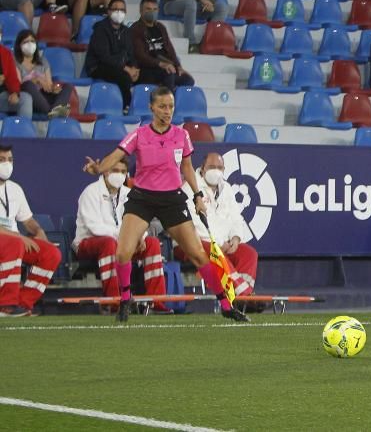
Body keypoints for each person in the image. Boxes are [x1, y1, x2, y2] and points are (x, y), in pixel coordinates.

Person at [82, 87, 251, 323]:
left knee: (199, 256)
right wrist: (99, 169)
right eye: (162, 106)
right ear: (151, 107)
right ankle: (126, 299)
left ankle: (225, 304)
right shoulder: (139, 134)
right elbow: (117, 154)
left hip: (172, 199)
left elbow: (187, 168)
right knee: (122, 253)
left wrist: (198, 196)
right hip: (142, 198)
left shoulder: (181, 136)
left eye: (170, 106)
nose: (167, 111)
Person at [73, 158, 170, 312]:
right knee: (109, 243)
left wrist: (140, 236)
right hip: (88, 243)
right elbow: (95, 228)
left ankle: (156, 302)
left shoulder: (129, 194)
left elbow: (139, 220)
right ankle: (114, 303)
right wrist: (127, 236)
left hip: (121, 243)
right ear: (105, 172)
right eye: (115, 171)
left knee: (152, 243)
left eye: (123, 172)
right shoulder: (90, 192)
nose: (119, 175)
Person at [178, 152, 258, 299]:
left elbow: (236, 217)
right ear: (202, 169)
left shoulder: (226, 188)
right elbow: (194, 225)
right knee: (215, 251)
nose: (216, 171)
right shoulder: (190, 188)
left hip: (222, 244)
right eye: (212, 167)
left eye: (219, 167)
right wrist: (220, 244)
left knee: (249, 254)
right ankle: (245, 296)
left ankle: (239, 299)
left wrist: (235, 238)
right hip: (194, 244)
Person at [0, 145, 61, 316]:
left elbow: (27, 220)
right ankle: (5, 304)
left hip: (13, 242)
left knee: (51, 253)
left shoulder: (15, 188)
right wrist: (19, 237)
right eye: (2, 160)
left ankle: (23, 303)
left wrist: (38, 231)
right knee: (14, 244)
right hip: (10, 242)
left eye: (10, 160)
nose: (7, 164)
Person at [84, 0, 140, 112]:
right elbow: (104, 57)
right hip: (98, 66)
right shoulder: (100, 29)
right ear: (109, 11)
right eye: (115, 9)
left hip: (119, 65)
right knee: (123, 76)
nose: (119, 12)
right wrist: (126, 69)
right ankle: (126, 107)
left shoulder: (126, 31)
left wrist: (134, 68)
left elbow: (130, 53)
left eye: (122, 10)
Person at [130, 0, 195, 90]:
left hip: (165, 67)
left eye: (155, 9)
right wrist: (161, 64)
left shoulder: (161, 27)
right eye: (148, 9)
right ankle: (166, 102)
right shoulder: (135, 29)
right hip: (146, 69)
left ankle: (171, 98)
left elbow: (170, 49)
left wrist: (179, 66)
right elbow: (140, 56)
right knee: (169, 74)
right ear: (141, 11)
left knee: (188, 80)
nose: (152, 12)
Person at [13, 29, 71, 118]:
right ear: (19, 45)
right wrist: (37, 80)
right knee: (27, 84)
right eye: (25, 42)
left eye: (32, 41)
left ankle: (53, 111)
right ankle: (53, 112)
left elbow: (49, 84)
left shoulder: (43, 61)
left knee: (68, 86)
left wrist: (54, 88)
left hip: (44, 96)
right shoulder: (15, 62)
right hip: (30, 99)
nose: (29, 44)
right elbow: (19, 85)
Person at [0, 25, 31, 118]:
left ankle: (24, 131)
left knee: (25, 99)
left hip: (2, 96)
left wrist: (14, 92)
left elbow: (12, 77)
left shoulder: (5, 53)